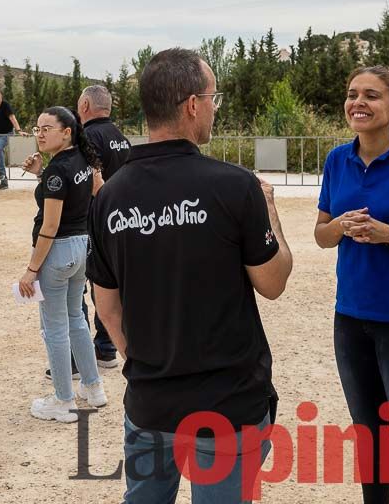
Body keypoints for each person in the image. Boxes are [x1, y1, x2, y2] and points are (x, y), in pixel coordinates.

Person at [87, 48, 293, 503]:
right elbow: (272, 282)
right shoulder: (234, 186)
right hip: (227, 408)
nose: (216, 108)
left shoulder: (110, 197)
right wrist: (271, 214)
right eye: (214, 97)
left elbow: (106, 305)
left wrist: (142, 363)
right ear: (192, 104)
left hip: (148, 403)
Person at [315, 66, 389, 504]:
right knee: (368, 432)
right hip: (349, 317)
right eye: (352, 94)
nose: (358, 103)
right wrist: (342, 227)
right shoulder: (336, 160)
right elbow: (321, 234)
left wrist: (387, 233)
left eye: (372, 95)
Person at [17, 106, 107, 422]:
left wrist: (31, 269)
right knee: (75, 319)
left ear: (66, 132)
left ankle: (63, 400)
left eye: (46, 128)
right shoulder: (81, 160)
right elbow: (84, 194)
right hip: (80, 247)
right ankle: (93, 388)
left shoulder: (59, 170)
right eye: (37, 128)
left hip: (58, 252)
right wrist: (42, 174)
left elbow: (50, 225)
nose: (39, 134)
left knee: (53, 327)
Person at [75, 83, 129, 368]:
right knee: (108, 282)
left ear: (85, 107)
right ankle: (106, 345)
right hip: (117, 220)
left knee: (81, 286)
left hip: (90, 221)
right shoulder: (120, 136)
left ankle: (80, 354)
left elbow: (83, 181)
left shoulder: (87, 137)